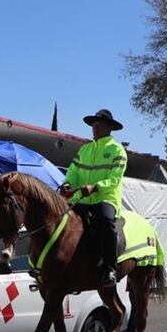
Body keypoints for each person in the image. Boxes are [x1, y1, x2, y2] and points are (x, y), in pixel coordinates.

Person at [61, 109, 128, 286]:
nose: (95, 126)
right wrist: (68, 184)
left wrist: (95, 187)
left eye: (100, 124)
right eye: (94, 124)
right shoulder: (84, 149)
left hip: (106, 199)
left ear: (109, 128)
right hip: (81, 199)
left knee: (107, 223)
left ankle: (110, 268)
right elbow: (73, 172)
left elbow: (115, 179)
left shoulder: (117, 150)